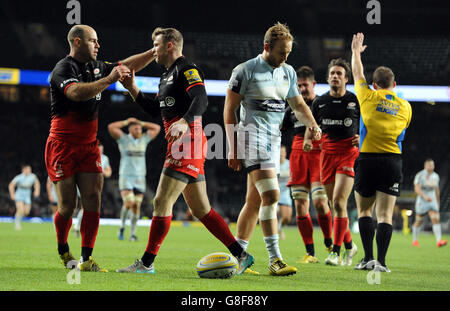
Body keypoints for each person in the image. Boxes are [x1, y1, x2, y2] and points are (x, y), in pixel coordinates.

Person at [117, 27, 254, 275]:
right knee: (201, 209)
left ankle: (146, 264)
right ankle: (241, 255)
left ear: (170, 45)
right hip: (184, 143)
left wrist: (184, 121)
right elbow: (154, 110)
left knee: (161, 201)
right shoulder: (165, 76)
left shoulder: (186, 69)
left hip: (186, 142)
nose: (153, 50)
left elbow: (201, 99)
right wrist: (132, 88)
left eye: (156, 45)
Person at [45, 24, 157, 272]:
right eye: (93, 41)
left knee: (93, 200)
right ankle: (63, 248)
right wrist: (109, 80)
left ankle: (86, 260)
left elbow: (126, 66)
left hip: (89, 146)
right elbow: (75, 93)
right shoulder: (64, 69)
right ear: (77, 42)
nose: (98, 45)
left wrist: (153, 51)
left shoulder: (95, 66)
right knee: (67, 205)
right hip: (62, 145)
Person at [224, 22, 321, 276]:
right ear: (267, 46)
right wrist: (233, 148)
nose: (286, 57)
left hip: (273, 141)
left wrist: (312, 124)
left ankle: (239, 258)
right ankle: (275, 259)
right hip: (251, 139)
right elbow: (229, 110)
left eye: (288, 52)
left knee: (254, 201)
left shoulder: (288, 72)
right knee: (272, 196)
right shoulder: (245, 71)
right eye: (282, 52)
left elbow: (298, 104)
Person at [351, 32, 412, 272]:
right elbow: (402, 134)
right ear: (394, 85)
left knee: (365, 210)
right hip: (392, 160)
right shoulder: (405, 106)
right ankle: (382, 263)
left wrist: (356, 52)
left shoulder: (367, 96)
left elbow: (357, 74)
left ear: (374, 85)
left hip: (367, 160)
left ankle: (366, 259)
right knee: (385, 215)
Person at [308, 58, 359, 266]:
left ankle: (335, 253)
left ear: (346, 79)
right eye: (332, 74)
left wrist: (361, 138)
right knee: (335, 205)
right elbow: (311, 127)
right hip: (326, 155)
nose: (335, 76)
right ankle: (350, 246)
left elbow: (366, 125)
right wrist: (309, 139)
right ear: (328, 78)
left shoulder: (354, 100)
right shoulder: (319, 102)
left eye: (339, 74)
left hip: (348, 152)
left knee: (339, 202)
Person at [282, 66, 333, 264]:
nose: (302, 89)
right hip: (297, 155)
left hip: (319, 154)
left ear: (313, 84)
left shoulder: (322, 104)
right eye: (299, 85)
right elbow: (281, 129)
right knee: (301, 205)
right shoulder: (291, 108)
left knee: (321, 203)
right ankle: (310, 252)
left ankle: (329, 242)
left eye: (305, 85)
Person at [108, 117, 160, 242]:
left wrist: (141, 122)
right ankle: (121, 227)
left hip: (140, 177)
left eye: (140, 128)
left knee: (136, 206)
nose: (139, 130)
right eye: (136, 128)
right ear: (130, 130)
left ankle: (132, 233)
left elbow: (157, 128)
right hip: (126, 176)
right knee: (129, 202)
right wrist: (126, 122)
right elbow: (111, 127)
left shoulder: (144, 139)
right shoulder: (124, 139)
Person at [73, 142, 112, 237]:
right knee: (86, 207)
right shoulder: (89, 156)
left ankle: (80, 227)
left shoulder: (105, 158)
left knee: (90, 208)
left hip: (98, 186)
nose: (101, 152)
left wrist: (101, 170)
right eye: (99, 150)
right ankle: (79, 227)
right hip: (86, 184)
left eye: (102, 150)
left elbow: (108, 172)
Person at [412, 159, 447, 247]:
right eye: (430, 165)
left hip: (432, 201)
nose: (431, 166)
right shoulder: (420, 175)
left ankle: (439, 241)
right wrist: (424, 197)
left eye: (432, 165)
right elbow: (417, 188)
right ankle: (415, 240)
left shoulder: (436, 176)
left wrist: (437, 201)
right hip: (422, 201)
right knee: (419, 221)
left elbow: (436, 189)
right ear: (425, 166)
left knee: (435, 219)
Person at [8, 165, 40, 230]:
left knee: (26, 212)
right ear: (23, 170)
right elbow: (11, 185)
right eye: (27, 170)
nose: (29, 171)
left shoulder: (33, 176)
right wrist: (12, 194)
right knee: (20, 209)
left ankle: (18, 218)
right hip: (19, 194)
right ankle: (17, 224)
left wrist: (37, 191)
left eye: (30, 170)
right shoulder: (19, 177)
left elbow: (37, 183)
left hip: (27, 194)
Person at [277, 145, 292, 240]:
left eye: (283, 152)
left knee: (287, 218)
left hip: (285, 193)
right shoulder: (274, 164)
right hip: (276, 192)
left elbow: (293, 175)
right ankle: (273, 236)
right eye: (280, 152)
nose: (281, 154)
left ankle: (279, 227)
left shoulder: (289, 164)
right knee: (274, 214)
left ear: (285, 154)